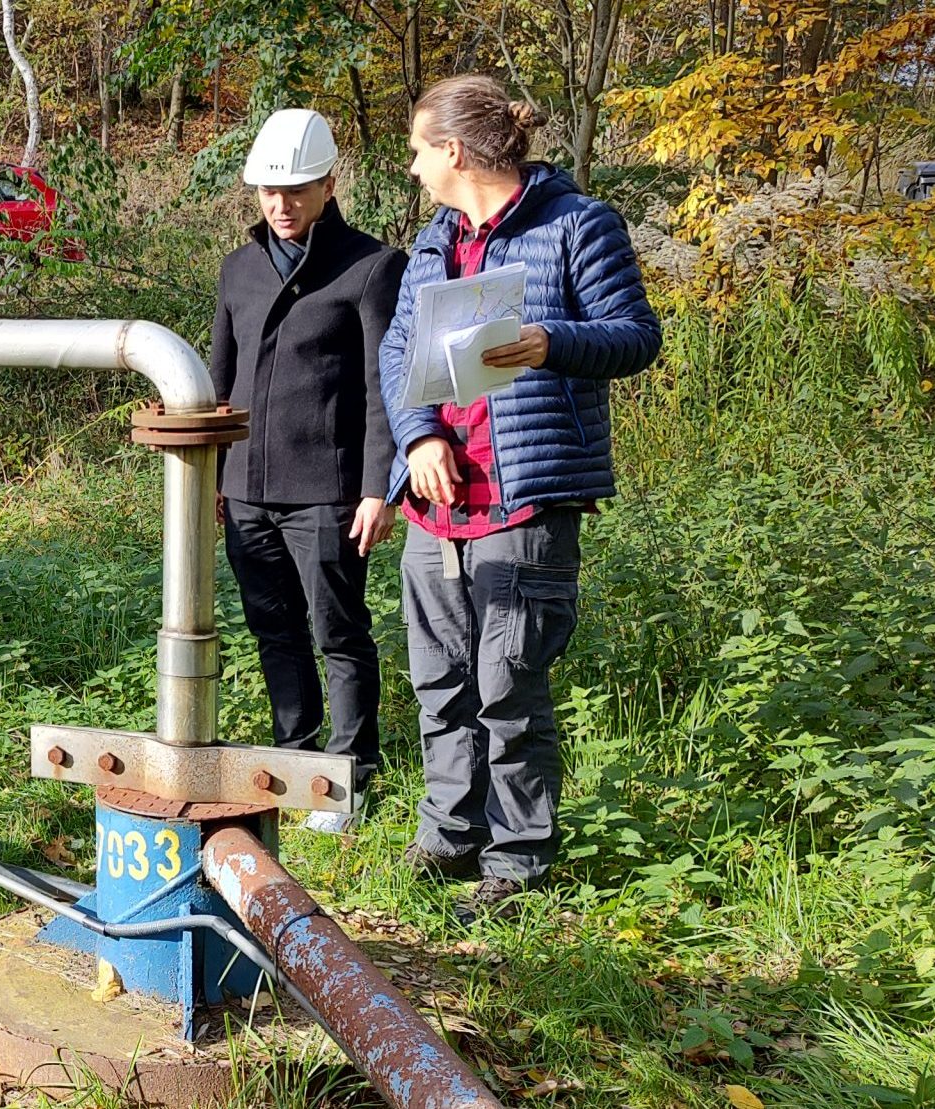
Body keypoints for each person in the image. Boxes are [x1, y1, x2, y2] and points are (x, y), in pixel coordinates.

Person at [379, 76, 660, 919]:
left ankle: (517, 860)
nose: (416, 166)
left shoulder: (577, 225)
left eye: (422, 150)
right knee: (440, 680)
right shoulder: (433, 242)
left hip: (524, 497)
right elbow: (400, 355)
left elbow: (636, 336)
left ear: (455, 152)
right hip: (438, 499)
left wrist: (549, 341)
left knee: (508, 683)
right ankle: (448, 834)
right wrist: (420, 435)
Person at [206, 109, 406, 835]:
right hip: (246, 490)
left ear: (328, 185)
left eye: (294, 191)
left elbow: (387, 391)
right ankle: (297, 758)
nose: (280, 206)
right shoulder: (237, 268)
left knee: (339, 631)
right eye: (267, 192)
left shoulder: (372, 266)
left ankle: (349, 775)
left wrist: (380, 486)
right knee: (273, 630)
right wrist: (211, 484)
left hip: (329, 491)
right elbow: (217, 385)